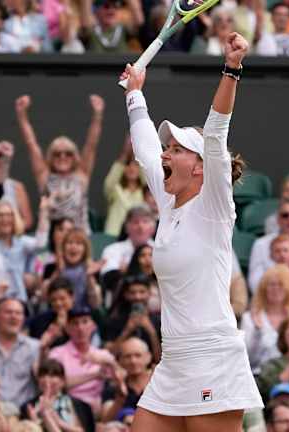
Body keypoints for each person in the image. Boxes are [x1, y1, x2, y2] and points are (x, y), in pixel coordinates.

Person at [120, 32, 263, 430]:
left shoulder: (214, 206)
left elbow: (216, 133)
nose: (165, 153)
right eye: (169, 149)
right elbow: (145, 146)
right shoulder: (169, 204)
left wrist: (231, 68)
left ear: (200, 166)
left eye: (177, 149)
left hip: (213, 358)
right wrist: (135, 94)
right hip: (174, 361)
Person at [15, 93, 105, 233]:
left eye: (68, 153)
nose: (63, 157)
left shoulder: (81, 175)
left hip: (80, 238)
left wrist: (98, 115)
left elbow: (91, 145)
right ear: (51, 157)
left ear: (75, 157)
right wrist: (22, 115)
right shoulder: (44, 177)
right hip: (51, 240)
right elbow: (31, 144)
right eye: (57, 154)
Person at [49, 306, 118, 413]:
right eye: (75, 323)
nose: (80, 328)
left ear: (93, 326)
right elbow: (53, 385)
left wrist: (112, 364)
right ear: (67, 328)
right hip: (67, 407)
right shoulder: (57, 353)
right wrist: (95, 375)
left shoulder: (102, 355)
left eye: (85, 322)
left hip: (96, 410)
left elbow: (121, 379)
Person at [242, 265, 289, 373]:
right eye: (272, 284)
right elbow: (247, 359)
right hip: (261, 376)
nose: (276, 289)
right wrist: (258, 332)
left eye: (281, 285)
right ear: (264, 289)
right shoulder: (249, 318)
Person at [20, 359, 95, 432]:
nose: (47, 379)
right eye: (43, 375)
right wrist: (35, 420)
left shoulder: (80, 405)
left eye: (52, 375)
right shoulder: (28, 407)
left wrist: (58, 422)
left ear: (62, 381)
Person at [103, 274, 161, 362]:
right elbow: (110, 355)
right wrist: (127, 330)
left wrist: (151, 331)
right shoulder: (114, 321)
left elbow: (160, 359)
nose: (137, 297)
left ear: (149, 293)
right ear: (125, 295)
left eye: (142, 292)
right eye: (132, 293)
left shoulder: (160, 322)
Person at [100, 205, 156, 288]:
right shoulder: (112, 250)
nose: (140, 227)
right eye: (135, 222)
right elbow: (108, 280)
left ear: (153, 228)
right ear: (126, 227)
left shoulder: (161, 250)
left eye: (145, 221)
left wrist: (126, 271)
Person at [101, 337, 153, 423]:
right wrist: (120, 399)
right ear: (120, 360)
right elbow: (105, 421)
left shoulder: (159, 383)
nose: (133, 361)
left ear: (148, 357)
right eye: (127, 356)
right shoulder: (113, 387)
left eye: (138, 355)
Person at [104, 135, 147, 237]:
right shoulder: (114, 189)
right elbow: (112, 177)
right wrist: (125, 152)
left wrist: (139, 150)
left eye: (135, 165)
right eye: (127, 164)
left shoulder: (145, 192)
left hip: (138, 238)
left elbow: (148, 176)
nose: (131, 168)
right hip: (113, 235)